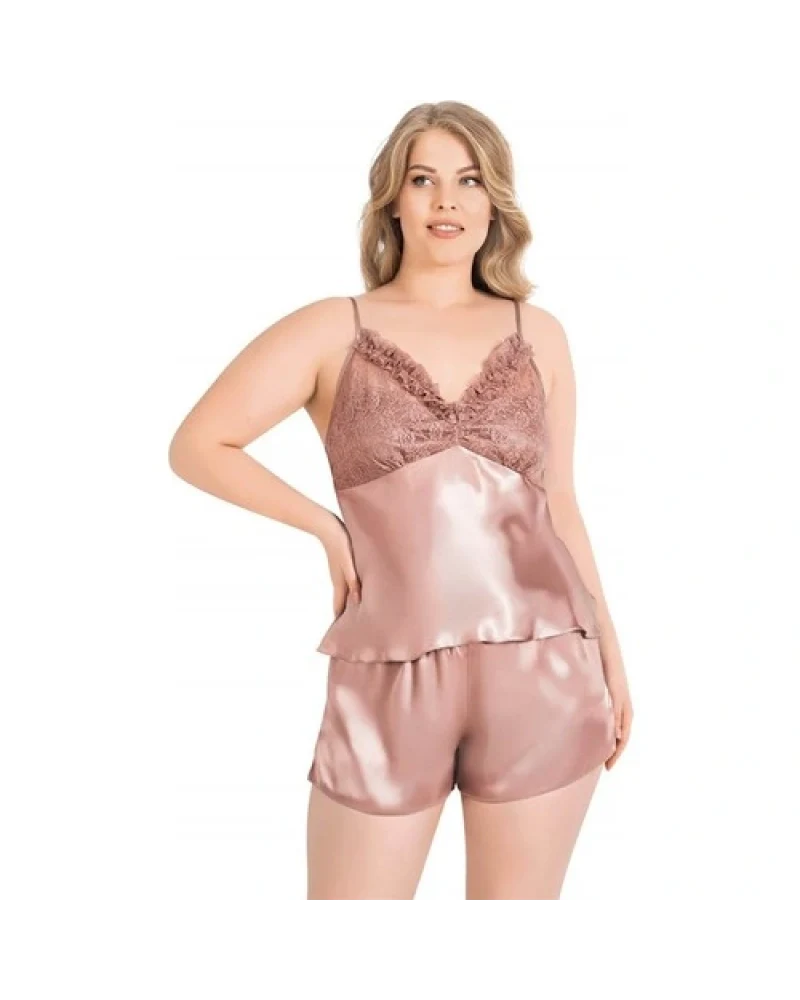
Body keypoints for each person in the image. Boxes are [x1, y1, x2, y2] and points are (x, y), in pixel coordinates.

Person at [168, 101, 633, 903]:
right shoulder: (334, 327)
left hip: (546, 666)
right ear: (392, 199)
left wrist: (612, 657)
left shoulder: (539, 332)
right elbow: (199, 444)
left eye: (469, 181)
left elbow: (561, 502)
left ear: (495, 202)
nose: (446, 201)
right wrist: (325, 528)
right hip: (388, 672)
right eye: (423, 180)